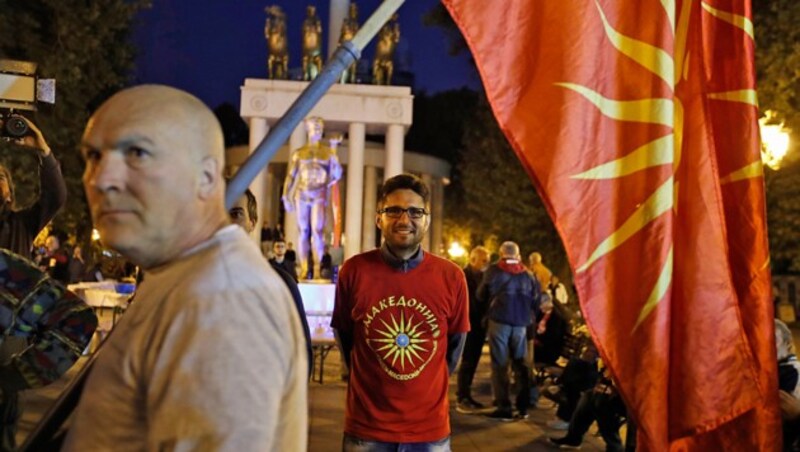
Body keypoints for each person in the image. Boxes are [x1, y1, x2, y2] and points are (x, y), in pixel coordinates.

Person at [63, 85, 308, 450]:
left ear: (208, 177)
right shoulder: (188, 278)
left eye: (137, 153)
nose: (101, 178)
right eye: (93, 156)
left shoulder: (221, 301)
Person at [331, 173, 469, 451]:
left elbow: (453, 349)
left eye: (415, 212)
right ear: (378, 218)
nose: (404, 220)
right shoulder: (353, 271)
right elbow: (347, 338)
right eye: (393, 210)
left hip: (429, 431)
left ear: (427, 219)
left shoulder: (451, 276)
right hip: (366, 429)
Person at [0, 116, 69, 450]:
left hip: (8, 341)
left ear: (9, 193)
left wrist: (42, 150)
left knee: (5, 421)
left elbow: (55, 197)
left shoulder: (21, 225)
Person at [228, 186, 312, 376]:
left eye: (236, 214)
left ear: (252, 222)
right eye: (217, 213)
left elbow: (302, 359)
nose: (225, 222)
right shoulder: (182, 284)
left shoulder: (281, 284)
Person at [478, 241, 542, 421]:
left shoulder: (494, 271)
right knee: (521, 365)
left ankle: (503, 406)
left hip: (499, 321)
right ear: (518, 255)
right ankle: (523, 406)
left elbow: (480, 295)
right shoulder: (529, 275)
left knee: (499, 365)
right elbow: (536, 302)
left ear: (501, 253)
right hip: (521, 325)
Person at [282, 117, 342, 279]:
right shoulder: (299, 153)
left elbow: (336, 175)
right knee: (303, 231)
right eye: (314, 127)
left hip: (319, 193)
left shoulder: (328, 152)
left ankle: (317, 268)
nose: (317, 130)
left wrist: (334, 154)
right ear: (308, 130)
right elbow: (290, 176)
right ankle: (303, 267)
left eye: (319, 128)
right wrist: (285, 196)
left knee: (317, 230)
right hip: (302, 192)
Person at [456, 245, 491, 413]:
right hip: (467, 324)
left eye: (487, 261)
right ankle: (462, 396)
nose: (486, 263)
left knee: (473, 360)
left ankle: (466, 394)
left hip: (478, 325)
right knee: (468, 360)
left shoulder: (483, 276)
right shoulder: (463, 275)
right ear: (473, 259)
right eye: (484, 260)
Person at [301, 5, 323, 81]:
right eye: (310, 11)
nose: (312, 13)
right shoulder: (306, 22)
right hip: (308, 46)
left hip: (315, 46)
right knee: (305, 59)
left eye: (313, 11)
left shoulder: (316, 22)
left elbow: (319, 31)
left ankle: (319, 76)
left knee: (318, 60)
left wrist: (318, 24)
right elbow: (304, 32)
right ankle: (305, 75)